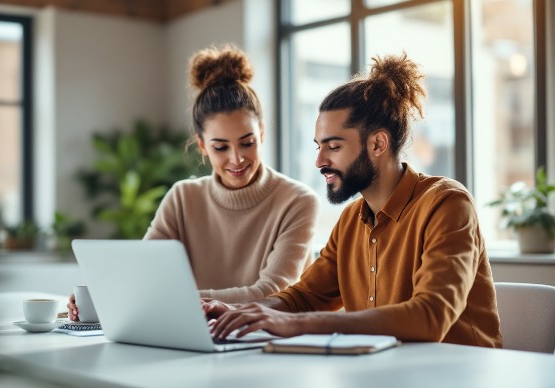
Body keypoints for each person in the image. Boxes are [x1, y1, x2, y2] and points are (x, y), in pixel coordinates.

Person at [206, 53, 503, 348]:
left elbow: (431, 317)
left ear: (377, 144)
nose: (319, 161)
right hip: (388, 374)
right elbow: (305, 297)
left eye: (333, 146)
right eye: (319, 147)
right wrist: (238, 311)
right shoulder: (351, 219)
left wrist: (298, 324)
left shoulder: (446, 204)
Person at [68, 44, 320, 320]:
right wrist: (103, 293)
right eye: (221, 147)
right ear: (202, 146)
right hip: (191, 336)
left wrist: (175, 299)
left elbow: (272, 292)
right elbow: (142, 273)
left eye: (247, 143)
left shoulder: (298, 201)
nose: (237, 159)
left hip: (265, 340)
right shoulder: (182, 198)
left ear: (261, 133)